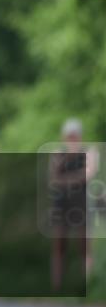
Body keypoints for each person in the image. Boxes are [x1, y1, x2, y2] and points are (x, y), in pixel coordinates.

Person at [49, 118, 99, 291]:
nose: (72, 139)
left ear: (80, 135)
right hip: (62, 203)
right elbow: (54, 178)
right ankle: (57, 286)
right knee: (59, 244)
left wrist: (67, 179)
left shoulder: (89, 151)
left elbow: (89, 173)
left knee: (84, 244)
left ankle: (87, 285)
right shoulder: (58, 153)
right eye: (69, 136)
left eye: (75, 135)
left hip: (82, 202)